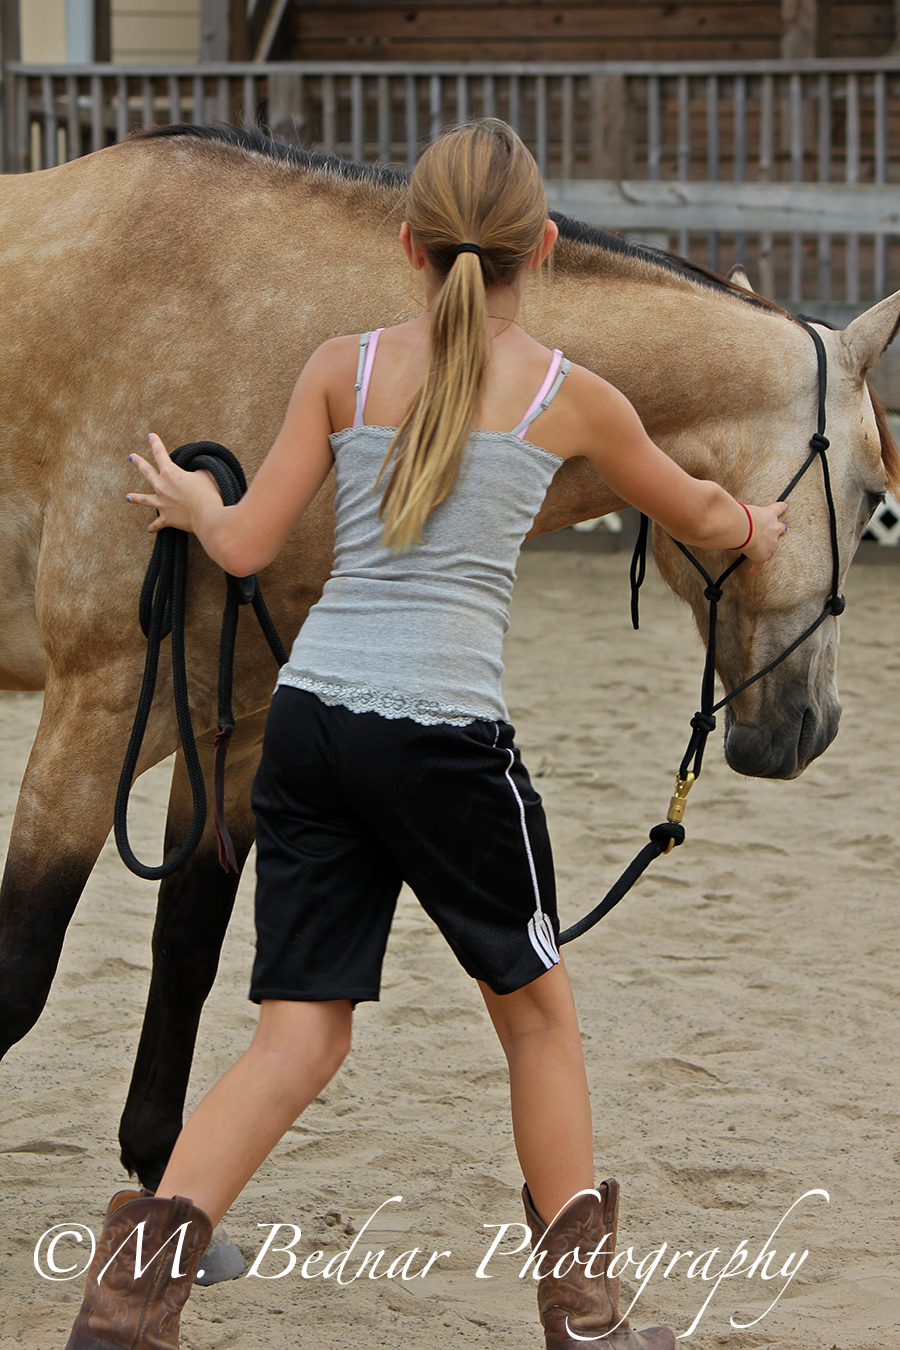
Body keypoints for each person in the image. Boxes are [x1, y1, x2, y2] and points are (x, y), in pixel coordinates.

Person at [65, 119, 786, 1350]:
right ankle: (588, 1325)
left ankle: (128, 1309)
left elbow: (242, 547)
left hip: (311, 729)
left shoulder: (340, 368)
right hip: (444, 743)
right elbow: (705, 513)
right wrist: (761, 529)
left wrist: (194, 500)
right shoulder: (576, 401)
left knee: (297, 1035)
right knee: (536, 1015)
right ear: (544, 251)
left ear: (407, 245)